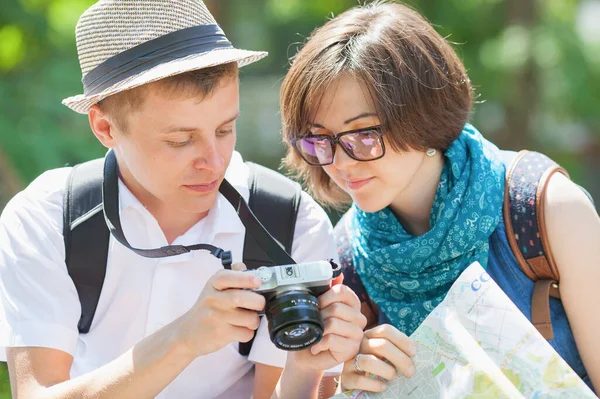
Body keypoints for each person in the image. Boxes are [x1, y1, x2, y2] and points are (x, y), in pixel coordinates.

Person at [0, 1, 367, 398]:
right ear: (105, 127)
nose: (213, 162)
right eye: (180, 140)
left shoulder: (289, 221)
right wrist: (183, 339)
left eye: (225, 130)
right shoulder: (48, 217)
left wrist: (305, 370)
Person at [279, 0, 600, 394]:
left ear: (424, 116)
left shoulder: (543, 210)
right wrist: (348, 384)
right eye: (320, 140)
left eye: (364, 135)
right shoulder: (346, 259)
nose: (341, 162)